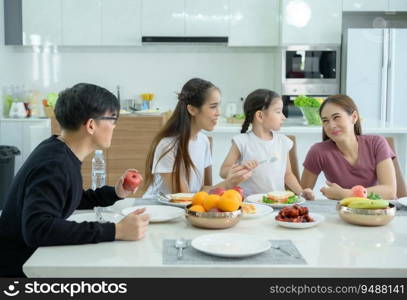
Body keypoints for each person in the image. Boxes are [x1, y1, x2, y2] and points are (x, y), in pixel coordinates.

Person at [0, 83, 149, 277]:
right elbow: (37, 228)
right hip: (19, 272)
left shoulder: (58, 150)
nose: (115, 126)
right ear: (91, 125)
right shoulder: (55, 164)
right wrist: (116, 230)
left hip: (33, 261)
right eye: (112, 119)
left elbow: (69, 197)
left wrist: (115, 193)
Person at [142, 78, 251, 197]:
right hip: (159, 210)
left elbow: (204, 190)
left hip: (185, 208)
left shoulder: (204, 141)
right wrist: (227, 183)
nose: (219, 112)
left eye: (218, 106)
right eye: (213, 106)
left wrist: (231, 182)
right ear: (192, 109)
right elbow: (183, 198)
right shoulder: (168, 146)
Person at [220, 89, 314, 199]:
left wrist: (301, 193)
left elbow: (288, 175)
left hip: (278, 203)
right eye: (278, 112)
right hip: (250, 205)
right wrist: (240, 170)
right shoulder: (241, 142)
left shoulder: (283, 142)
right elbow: (223, 171)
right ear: (260, 116)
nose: (283, 117)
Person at [301, 94, 397, 200]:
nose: (331, 125)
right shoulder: (318, 151)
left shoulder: (377, 143)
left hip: (377, 212)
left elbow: (390, 191)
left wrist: (347, 194)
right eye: (325, 121)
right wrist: (307, 195)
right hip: (342, 213)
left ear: (354, 117)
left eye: (336, 117)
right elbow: (302, 195)